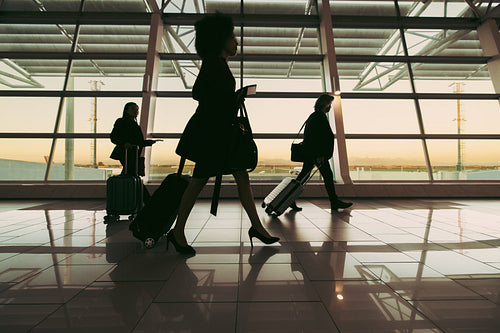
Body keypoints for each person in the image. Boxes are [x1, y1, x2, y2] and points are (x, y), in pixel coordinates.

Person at [172, 13, 279, 255]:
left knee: (238, 177)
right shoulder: (214, 64)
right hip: (213, 135)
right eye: (232, 36)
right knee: (199, 181)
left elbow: (205, 95)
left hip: (215, 133)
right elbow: (201, 94)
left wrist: (231, 98)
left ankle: (257, 226)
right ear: (220, 39)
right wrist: (233, 99)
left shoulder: (216, 64)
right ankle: (178, 232)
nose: (236, 41)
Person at [291, 94, 352, 212]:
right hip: (317, 155)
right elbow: (317, 138)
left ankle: (290, 198)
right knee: (326, 176)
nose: (330, 107)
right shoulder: (319, 117)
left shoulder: (314, 116)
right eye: (330, 104)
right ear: (325, 104)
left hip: (313, 153)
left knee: (305, 176)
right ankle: (334, 202)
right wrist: (320, 155)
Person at [110, 102, 156, 204]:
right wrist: (124, 143)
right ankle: (147, 200)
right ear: (126, 110)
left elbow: (138, 142)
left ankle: (124, 200)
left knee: (130, 175)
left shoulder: (135, 125)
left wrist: (148, 143)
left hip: (134, 154)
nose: (136, 111)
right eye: (133, 109)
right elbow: (114, 137)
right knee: (132, 175)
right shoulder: (121, 122)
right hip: (125, 154)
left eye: (137, 109)